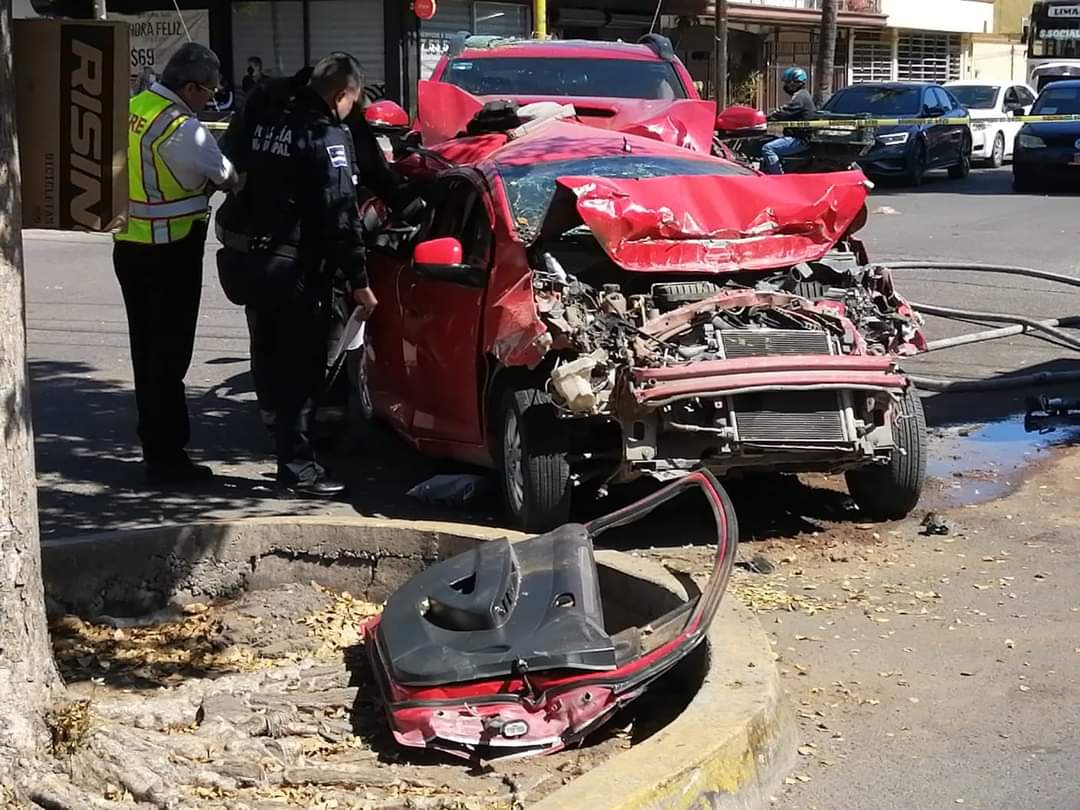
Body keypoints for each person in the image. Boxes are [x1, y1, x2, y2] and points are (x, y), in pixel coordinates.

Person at [220, 52, 378, 497]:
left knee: (269, 356)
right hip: (296, 269)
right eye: (353, 101)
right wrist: (359, 281)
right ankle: (298, 468)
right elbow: (341, 215)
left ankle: (281, 442)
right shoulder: (326, 135)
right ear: (341, 94)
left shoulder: (268, 116)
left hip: (252, 260)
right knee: (302, 369)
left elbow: (232, 168)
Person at [113, 43, 240, 485]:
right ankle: (168, 454)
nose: (211, 100)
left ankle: (154, 441)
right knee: (169, 357)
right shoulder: (184, 129)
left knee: (145, 352)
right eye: (209, 92)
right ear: (189, 87)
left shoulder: (135, 107)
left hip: (128, 249)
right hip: (170, 252)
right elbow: (228, 176)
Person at [761, 66, 816, 175]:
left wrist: (766, 118)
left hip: (800, 139)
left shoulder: (800, 97)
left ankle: (778, 179)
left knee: (768, 149)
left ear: (796, 83)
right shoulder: (802, 95)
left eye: (788, 83)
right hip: (797, 135)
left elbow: (785, 111)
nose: (786, 86)